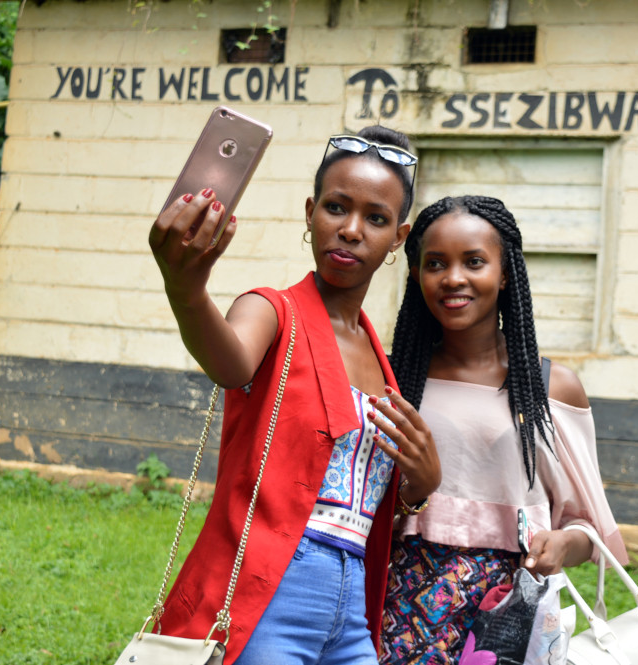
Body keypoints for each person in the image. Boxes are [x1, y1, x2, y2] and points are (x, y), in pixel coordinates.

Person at [147, 126, 441, 665]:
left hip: (353, 611)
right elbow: (229, 362)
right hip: (267, 596)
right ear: (311, 212)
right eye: (336, 207)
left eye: (376, 218)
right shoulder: (270, 311)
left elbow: (364, 501)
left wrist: (422, 483)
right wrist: (186, 291)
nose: (350, 229)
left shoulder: (381, 361)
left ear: (398, 238)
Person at [379, 195, 628, 664]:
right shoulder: (390, 380)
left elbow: (586, 529)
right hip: (397, 613)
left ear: (506, 272)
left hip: (509, 615)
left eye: (474, 262)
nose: (453, 278)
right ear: (416, 274)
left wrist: (561, 543)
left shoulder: (551, 388)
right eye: (436, 263)